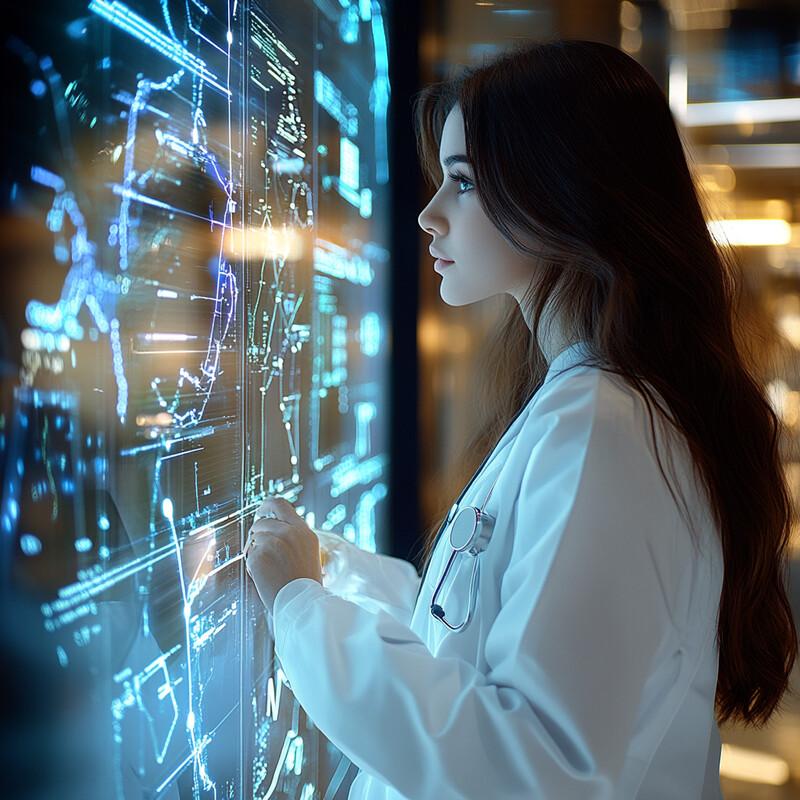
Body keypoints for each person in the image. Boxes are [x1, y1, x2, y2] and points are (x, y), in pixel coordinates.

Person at [243, 39, 798, 799]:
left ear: (563, 190)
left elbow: (533, 764)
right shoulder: (595, 411)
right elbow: (478, 637)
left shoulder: (607, 429)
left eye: (463, 184)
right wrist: (329, 570)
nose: (428, 214)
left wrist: (303, 613)